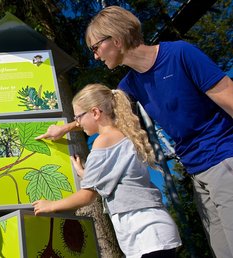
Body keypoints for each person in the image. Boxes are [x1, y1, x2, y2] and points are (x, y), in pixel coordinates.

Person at [36, 6, 233, 257]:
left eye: (95, 48)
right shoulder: (129, 85)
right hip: (197, 172)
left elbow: (229, 96)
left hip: (225, 160)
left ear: (115, 40)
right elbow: (100, 111)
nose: (95, 56)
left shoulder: (180, 54)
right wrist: (67, 127)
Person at [33, 84, 182, 257]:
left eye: (78, 117)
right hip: (154, 230)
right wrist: (85, 174)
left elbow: (88, 195)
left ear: (95, 113)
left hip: (146, 234)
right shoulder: (124, 135)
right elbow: (117, 176)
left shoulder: (103, 141)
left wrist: (51, 205)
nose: (78, 122)